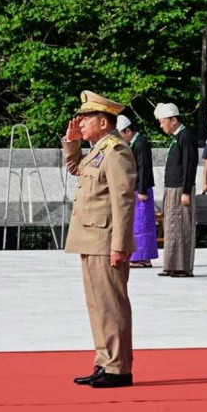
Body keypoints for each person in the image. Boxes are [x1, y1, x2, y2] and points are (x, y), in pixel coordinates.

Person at [63, 91, 136, 388]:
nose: (80, 122)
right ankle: (104, 361)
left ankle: (119, 368)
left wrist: (119, 244)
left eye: (86, 118)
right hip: (90, 238)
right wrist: (72, 143)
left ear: (104, 122)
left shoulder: (116, 151)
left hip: (106, 241)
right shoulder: (98, 150)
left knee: (111, 306)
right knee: (98, 306)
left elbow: (123, 201)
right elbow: (75, 168)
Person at [156, 103, 198, 278]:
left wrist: (186, 190)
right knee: (172, 227)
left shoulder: (185, 136)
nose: (161, 126)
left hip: (181, 188)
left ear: (174, 120)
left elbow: (190, 164)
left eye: (163, 122)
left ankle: (182, 266)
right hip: (171, 187)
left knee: (182, 227)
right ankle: (171, 264)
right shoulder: (176, 137)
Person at [116, 115, 159, 268]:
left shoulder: (141, 144)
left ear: (128, 131)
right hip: (135, 188)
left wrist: (142, 189)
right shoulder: (134, 144)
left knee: (143, 224)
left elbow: (144, 167)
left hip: (142, 189)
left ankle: (143, 257)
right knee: (136, 224)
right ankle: (136, 255)